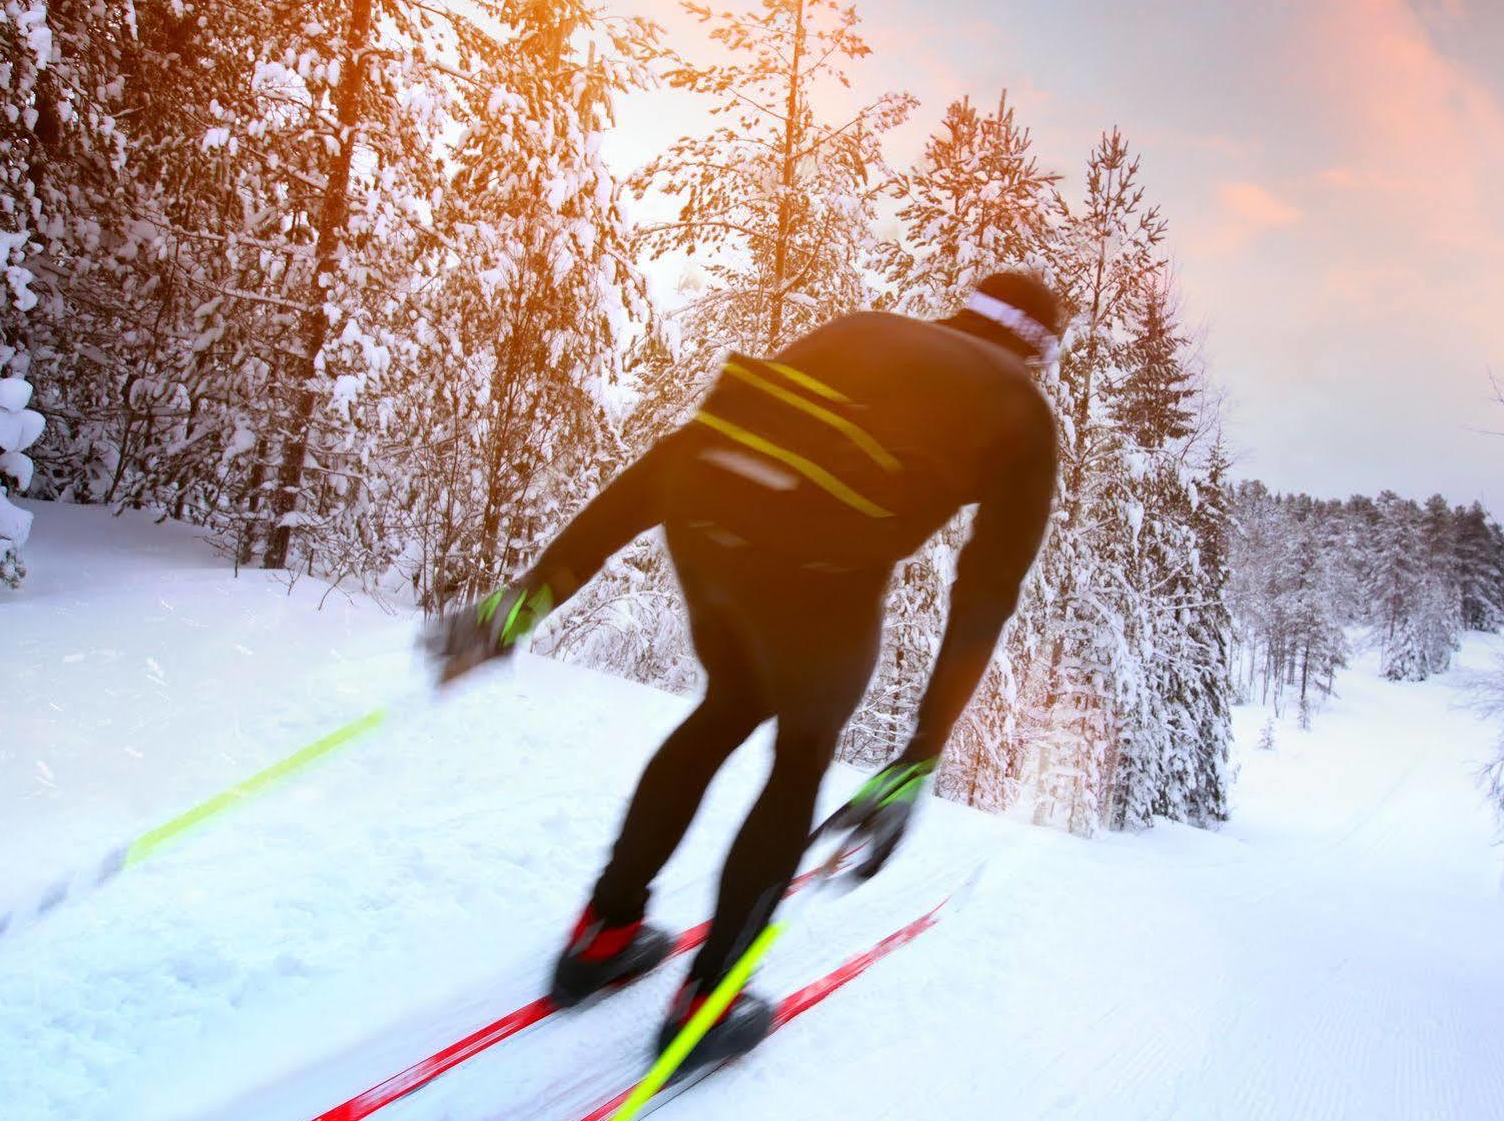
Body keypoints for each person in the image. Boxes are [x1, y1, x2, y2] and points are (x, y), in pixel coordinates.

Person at [426, 269, 1063, 1070]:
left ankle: (603, 936)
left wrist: (529, 599)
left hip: (704, 523)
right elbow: (984, 595)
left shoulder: (861, 326)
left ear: (962, 308)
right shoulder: (1023, 410)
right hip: (824, 574)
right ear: (1041, 350)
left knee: (726, 706)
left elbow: (691, 448)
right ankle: (709, 999)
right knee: (800, 751)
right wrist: (918, 754)